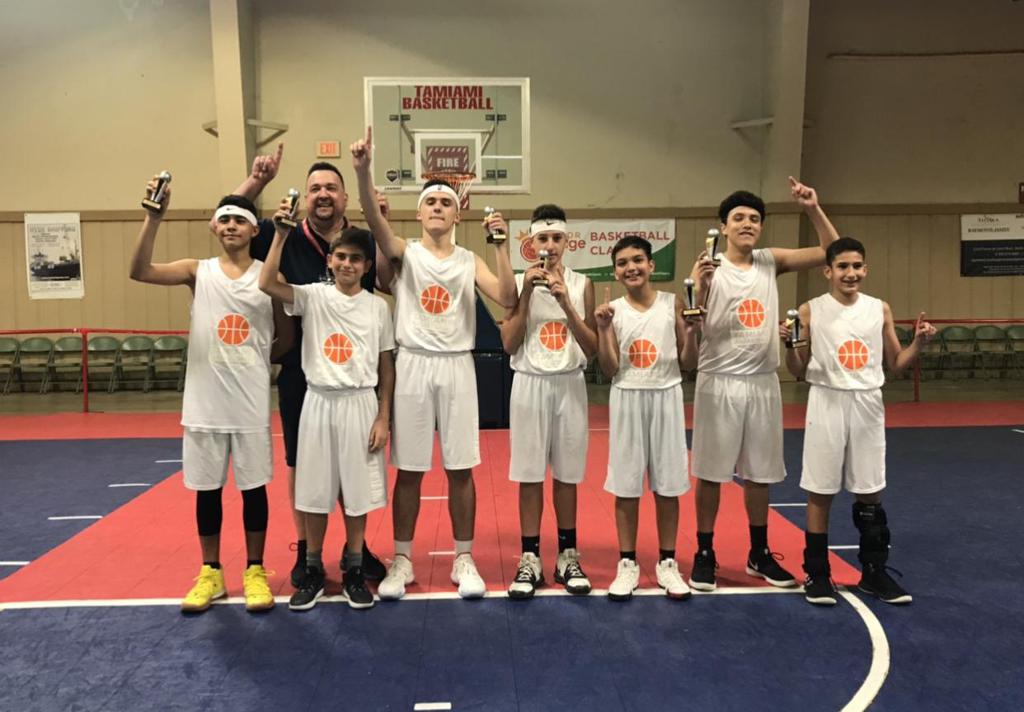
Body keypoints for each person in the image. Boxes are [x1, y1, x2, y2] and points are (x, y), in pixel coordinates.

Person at [350, 126, 517, 599]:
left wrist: (501, 246)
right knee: (410, 469)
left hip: (457, 366)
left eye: (446, 202)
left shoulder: (469, 259)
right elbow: (373, 220)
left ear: (457, 213)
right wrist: (363, 172)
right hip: (414, 366)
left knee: (461, 468)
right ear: (420, 213)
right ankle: (403, 559)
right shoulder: (404, 251)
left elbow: (507, 296)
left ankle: (464, 557)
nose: (438, 207)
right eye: (431, 203)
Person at [129, 178, 292, 613]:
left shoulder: (269, 277)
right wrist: (153, 219)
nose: (232, 225)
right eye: (225, 219)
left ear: (255, 229)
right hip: (204, 405)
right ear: (214, 227)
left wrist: (252, 363)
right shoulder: (196, 271)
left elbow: (285, 337)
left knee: (253, 490)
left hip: (249, 405)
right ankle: (211, 571)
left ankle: (255, 570)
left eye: (240, 219)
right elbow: (139, 271)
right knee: (208, 491)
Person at [231, 144, 390, 586]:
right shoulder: (278, 230)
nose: (323, 194)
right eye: (315, 188)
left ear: (344, 197)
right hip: (303, 370)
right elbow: (229, 217)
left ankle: (356, 550)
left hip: (355, 375)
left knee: (355, 465)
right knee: (303, 465)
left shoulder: (362, 240)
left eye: (332, 188)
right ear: (304, 197)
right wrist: (257, 181)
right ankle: (307, 550)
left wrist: (384, 220)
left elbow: (389, 281)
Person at [688, 178, 840, 592]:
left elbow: (832, 250)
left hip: (762, 382)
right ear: (723, 226)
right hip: (719, 382)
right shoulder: (708, 268)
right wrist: (699, 286)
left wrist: (812, 207)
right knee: (711, 474)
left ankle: (759, 552)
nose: (747, 224)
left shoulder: (770, 261)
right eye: (738, 218)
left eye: (755, 219)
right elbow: (692, 317)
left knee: (760, 475)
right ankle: (705, 552)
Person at [782, 237, 932, 605]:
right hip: (826, 400)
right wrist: (790, 345)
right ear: (827, 271)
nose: (850, 273)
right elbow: (797, 369)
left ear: (865, 269)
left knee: (870, 487)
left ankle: (874, 571)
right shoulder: (810, 310)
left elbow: (896, 363)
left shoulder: (879, 308)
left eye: (857, 266)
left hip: (868, 402)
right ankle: (817, 573)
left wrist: (918, 344)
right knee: (820, 488)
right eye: (843, 267)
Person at [259, 209, 395, 611]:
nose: (347, 264)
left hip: (360, 402)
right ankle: (313, 566)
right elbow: (266, 282)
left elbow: (386, 365)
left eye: (356, 259)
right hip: (318, 401)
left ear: (367, 266)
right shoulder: (313, 296)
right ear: (330, 261)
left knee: (357, 493)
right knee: (314, 492)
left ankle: (354, 567)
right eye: (341, 257)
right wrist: (280, 235)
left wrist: (383, 416)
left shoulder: (378, 308)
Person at [500, 204, 597, 598]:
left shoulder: (582, 283)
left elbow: (591, 348)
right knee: (529, 475)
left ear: (567, 242)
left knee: (567, 475)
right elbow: (509, 343)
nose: (550, 245)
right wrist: (526, 293)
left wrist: (566, 303)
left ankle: (567, 555)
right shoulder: (517, 283)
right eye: (543, 238)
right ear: (531, 242)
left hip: (569, 383)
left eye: (557, 238)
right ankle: (530, 557)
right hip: (529, 383)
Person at [596, 235, 699, 601]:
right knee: (626, 486)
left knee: (668, 485)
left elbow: (689, 363)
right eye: (623, 263)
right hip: (627, 396)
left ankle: (667, 561)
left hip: (666, 395)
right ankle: (627, 562)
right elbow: (610, 369)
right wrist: (603, 330)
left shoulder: (673, 304)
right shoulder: (611, 311)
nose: (631, 267)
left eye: (637, 260)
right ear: (615, 271)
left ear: (651, 265)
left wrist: (692, 333)